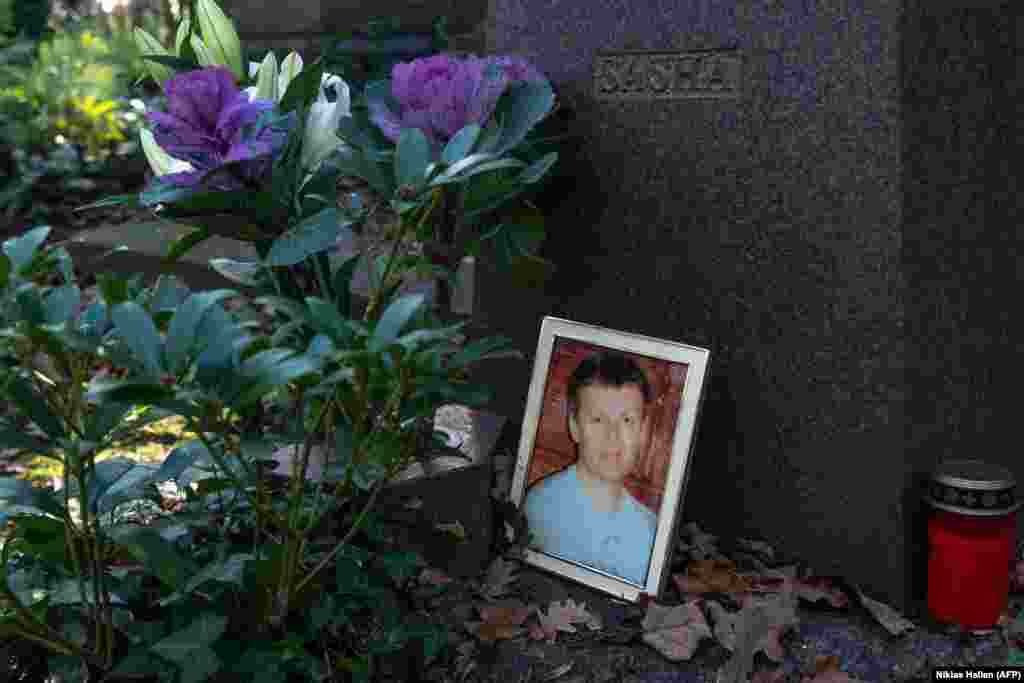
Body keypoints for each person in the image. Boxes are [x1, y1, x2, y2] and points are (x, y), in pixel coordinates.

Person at [523, 351, 658, 585]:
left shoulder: (652, 529)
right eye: (598, 420)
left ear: (643, 432)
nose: (613, 437)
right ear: (574, 427)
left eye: (627, 420)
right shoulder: (542, 506)